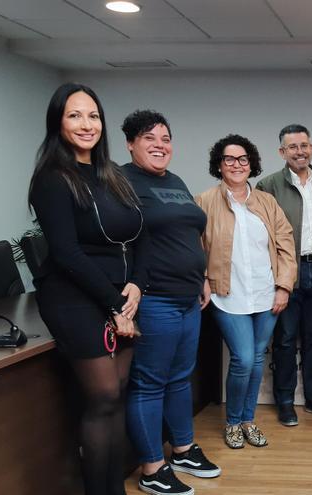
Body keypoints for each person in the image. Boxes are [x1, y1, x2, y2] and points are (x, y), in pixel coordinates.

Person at [29, 83, 145, 495]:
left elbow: (138, 236)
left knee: (118, 398)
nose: (86, 124)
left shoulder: (111, 175)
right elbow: (65, 253)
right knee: (103, 397)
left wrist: (136, 287)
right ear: (57, 122)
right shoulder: (52, 178)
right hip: (75, 298)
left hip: (120, 298)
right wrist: (116, 305)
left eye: (93, 115)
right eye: (75, 115)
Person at [120, 110, 220, 495]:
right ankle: (151, 468)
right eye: (149, 138)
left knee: (181, 378)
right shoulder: (122, 182)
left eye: (165, 138)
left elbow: (191, 233)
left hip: (188, 296)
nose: (160, 144)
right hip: (155, 298)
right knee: (149, 383)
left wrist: (204, 276)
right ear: (130, 143)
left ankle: (181, 449)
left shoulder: (175, 181)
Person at [195, 134, 296, 450]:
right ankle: (233, 423)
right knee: (242, 358)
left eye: (242, 159)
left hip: (266, 295)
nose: (236, 165)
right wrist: (203, 279)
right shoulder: (205, 201)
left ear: (251, 163)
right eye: (229, 159)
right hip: (227, 295)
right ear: (219, 165)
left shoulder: (266, 202)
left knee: (255, 361)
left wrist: (283, 286)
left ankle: (248, 420)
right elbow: (195, 247)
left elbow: (286, 246)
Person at [256, 124, 312, 426]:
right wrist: (279, 279)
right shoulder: (268, 186)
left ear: (311, 148)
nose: (299, 151)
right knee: (286, 340)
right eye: (293, 147)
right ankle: (286, 401)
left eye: (304, 145)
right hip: (288, 273)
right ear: (282, 152)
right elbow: (262, 237)